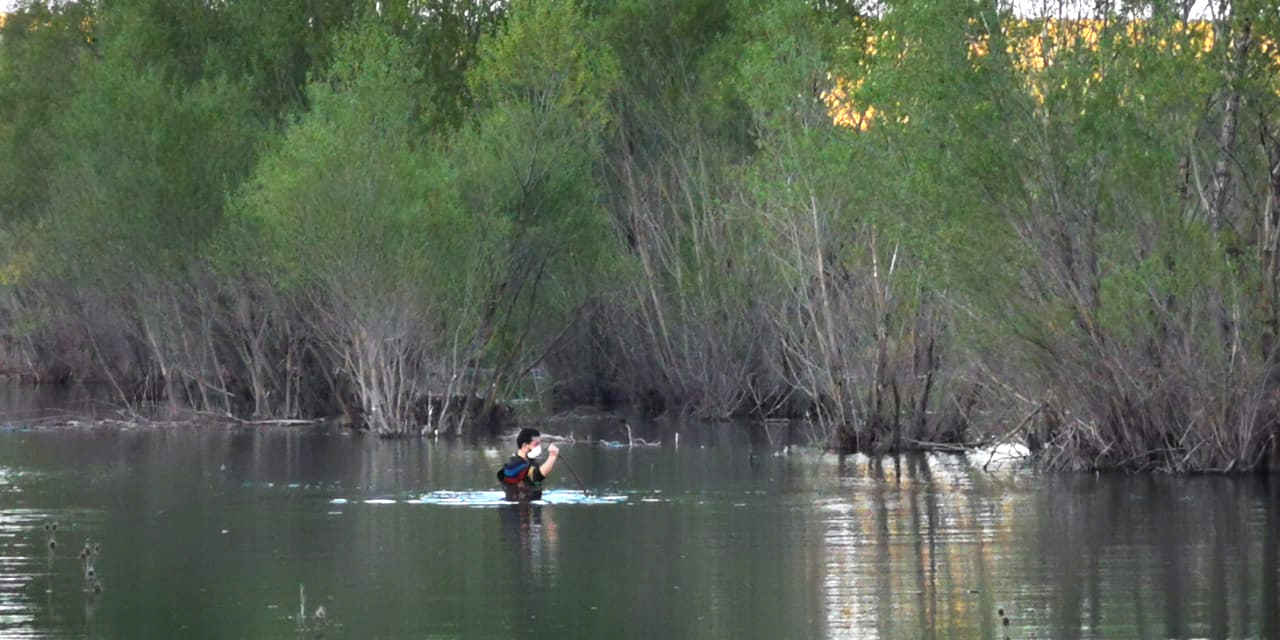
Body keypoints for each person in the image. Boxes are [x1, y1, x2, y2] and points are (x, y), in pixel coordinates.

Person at [496, 428, 559, 501]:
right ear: (525, 445)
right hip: (517, 508)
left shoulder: (532, 463)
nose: (539, 447)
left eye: (539, 444)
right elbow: (536, 476)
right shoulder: (513, 465)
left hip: (533, 506)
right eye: (536, 444)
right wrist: (552, 456)